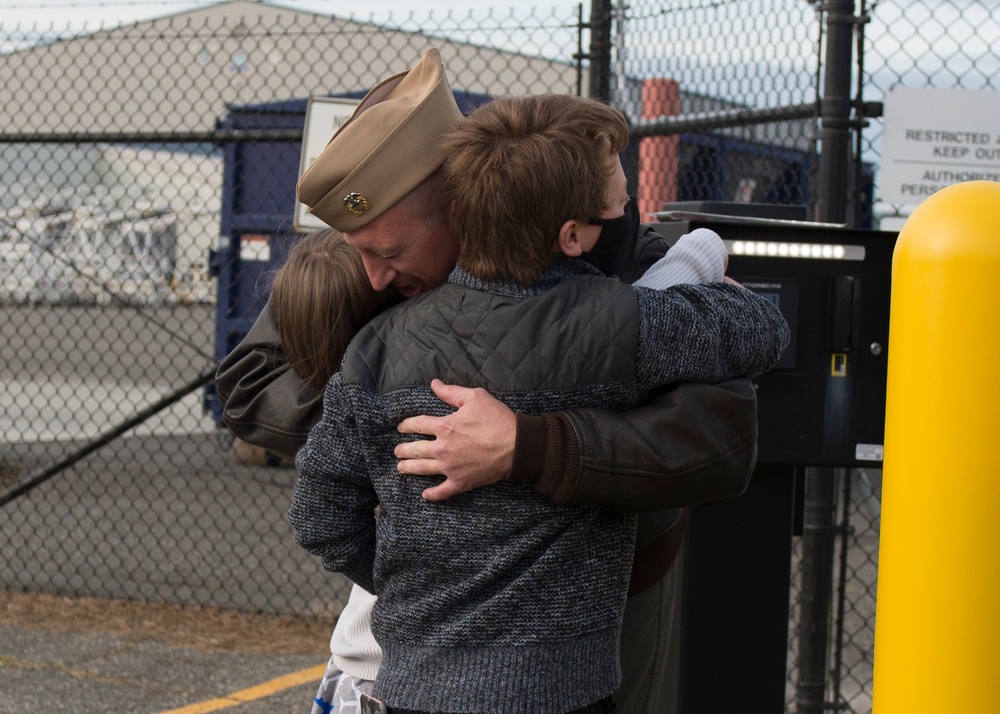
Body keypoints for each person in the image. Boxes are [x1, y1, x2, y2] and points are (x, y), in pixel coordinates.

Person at [216, 47, 762, 713]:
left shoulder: (613, 261)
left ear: (463, 207)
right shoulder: (372, 270)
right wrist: (395, 434)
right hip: (424, 628)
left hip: (598, 610)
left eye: (392, 252)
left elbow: (717, 434)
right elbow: (250, 382)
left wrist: (532, 443)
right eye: (365, 253)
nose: (375, 278)